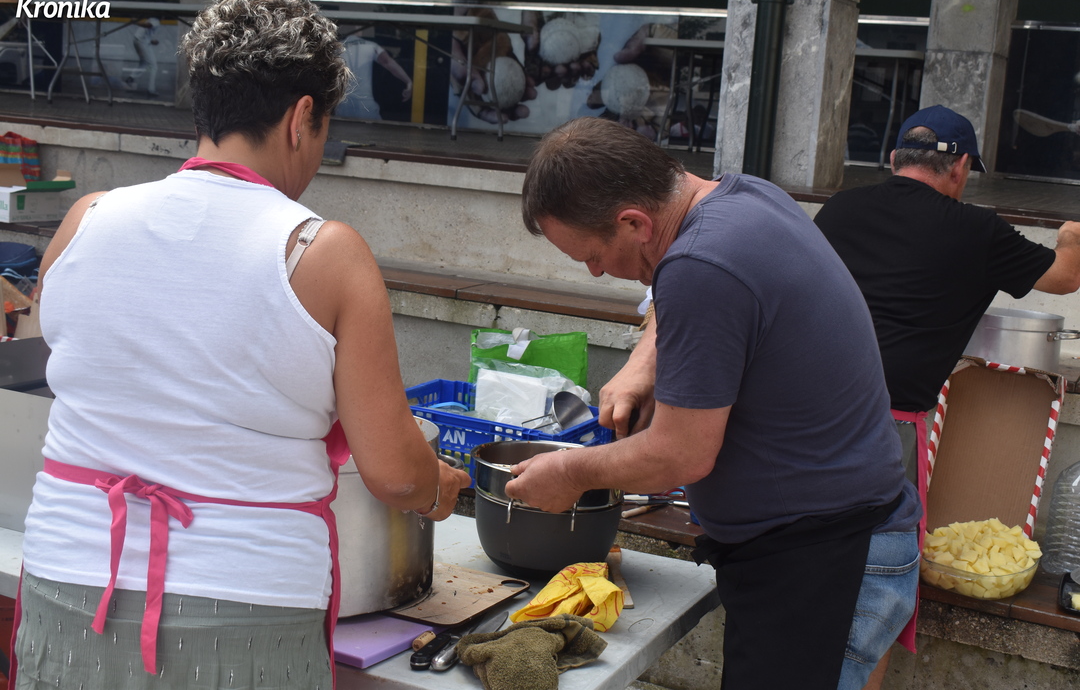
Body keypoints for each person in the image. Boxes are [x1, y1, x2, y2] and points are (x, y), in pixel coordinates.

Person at [9, 0, 471, 690]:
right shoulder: (323, 253)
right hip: (247, 613)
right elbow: (395, 473)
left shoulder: (85, 220)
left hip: (67, 589)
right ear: (302, 118)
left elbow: (85, 359)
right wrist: (438, 487)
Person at [505, 116, 922, 690]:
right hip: (839, 535)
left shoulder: (700, 265)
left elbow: (681, 455)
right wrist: (645, 365)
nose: (596, 272)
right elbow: (686, 287)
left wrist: (569, 473)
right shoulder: (744, 197)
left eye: (593, 255)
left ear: (635, 222)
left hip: (827, 559)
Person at [814, 104, 1080, 688]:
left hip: (803, 421)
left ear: (894, 158)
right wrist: (1071, 235)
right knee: (870, 606)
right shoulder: (977, 230)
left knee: (806, 585)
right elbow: (1065, 277)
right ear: (960, 168)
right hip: (884, 439)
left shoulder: (839, 210)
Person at [336, 35, 413, 120]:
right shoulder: (371, 45)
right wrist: (408, 81)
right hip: (366, 106)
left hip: (343, 106)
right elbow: (387, 62)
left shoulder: (336, 49)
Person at [126, 17, 159, 97]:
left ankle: (131, 77)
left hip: (138, 40)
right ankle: (151, 90)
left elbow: (146, 30)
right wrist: (135, 22)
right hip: (141, 42)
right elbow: (148, 25)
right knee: (153, 66)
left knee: (143, 62)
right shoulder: (155, 20)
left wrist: (151, 41)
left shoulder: (150, 19)